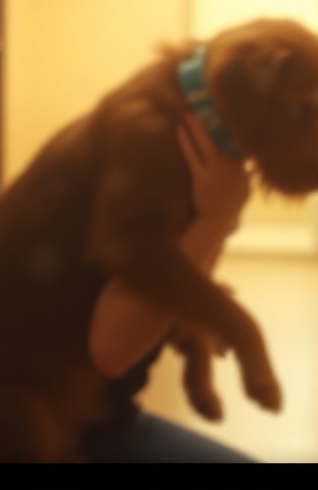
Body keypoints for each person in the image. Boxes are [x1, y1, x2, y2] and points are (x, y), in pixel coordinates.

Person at [78, 110, 257, 463]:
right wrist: (215, 220)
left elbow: (183, 288)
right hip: (58, 432)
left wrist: (217, 223)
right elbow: (112, 354)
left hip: (106, 420)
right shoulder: (142, 206)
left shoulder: (177, 205)